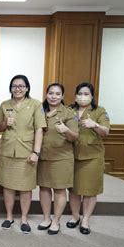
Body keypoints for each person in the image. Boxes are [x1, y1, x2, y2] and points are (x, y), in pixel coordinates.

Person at [0, 74, 46, 234]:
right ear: (10, 88)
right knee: (8, 186)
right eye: (14, 86)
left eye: (21, 86)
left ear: (27, 88)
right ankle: (9, 217)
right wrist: (4, 123)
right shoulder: (4, 104)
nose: (18, 89)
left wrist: (36, 152)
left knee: (25, 188)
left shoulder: (36, 105)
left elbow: (39, 129)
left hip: (27, 152)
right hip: (8, 150)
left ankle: (24, 218)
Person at [67, 82, 110, 235]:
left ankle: (85, 220)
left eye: (86, 94)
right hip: (72, 155)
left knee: (90, 190)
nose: (82, 97)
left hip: (92, 156)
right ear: (75, 95)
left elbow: (106, 131)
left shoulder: (99, 111)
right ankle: (75, 217)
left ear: (92, 96)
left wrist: (95, 124)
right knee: (73, 190)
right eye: (80, 94)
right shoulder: (69, 110)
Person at [37, 83, 79, 235]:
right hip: (43, 156)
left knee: (60, 190)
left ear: (62, 96)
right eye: (51, 93)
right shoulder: (40, 110)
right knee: (44, 188)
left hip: (62, 158)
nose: (53, 96)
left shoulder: (68, 113)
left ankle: (56, 221)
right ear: (46, 94)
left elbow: (75, 137)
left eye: (57, 94)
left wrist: (66, 130)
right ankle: (46, 218)